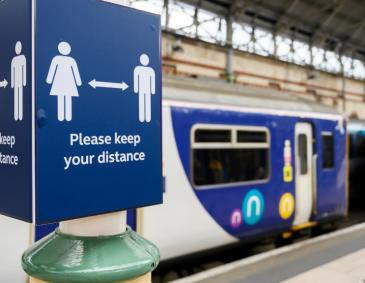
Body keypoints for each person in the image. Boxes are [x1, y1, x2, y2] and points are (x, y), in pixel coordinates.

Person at [46, 42, 82, 122]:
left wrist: (78, 82)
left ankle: (67, 117)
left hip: (67, 82)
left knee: (66, 98)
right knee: (61, 98)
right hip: (62, 82)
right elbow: (52, 69)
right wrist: (49, 80)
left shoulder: (69, 60)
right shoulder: (57, 59)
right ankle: (62, 117)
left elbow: (75, 71)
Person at [134, 54, 155, 123]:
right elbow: (136, 79)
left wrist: (153, 90)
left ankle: (148, 118)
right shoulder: (137, 69)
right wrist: (136, 89)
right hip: (141, 89)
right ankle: (141, 118)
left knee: (147, 103)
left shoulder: (151, 70)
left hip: (147, 90)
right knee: (141, 102)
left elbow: (152, 80)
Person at [11, 41, 26, 121]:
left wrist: (24, 81)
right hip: (16, 82)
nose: (18, 49)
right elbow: (12, 72)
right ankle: (16, 115)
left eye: (19, 47)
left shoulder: (23, 58)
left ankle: (20, 115)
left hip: (20, 82)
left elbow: (24, 70)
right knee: (16, 98)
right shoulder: (13, 59)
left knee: (20, 97)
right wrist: (12, 83)